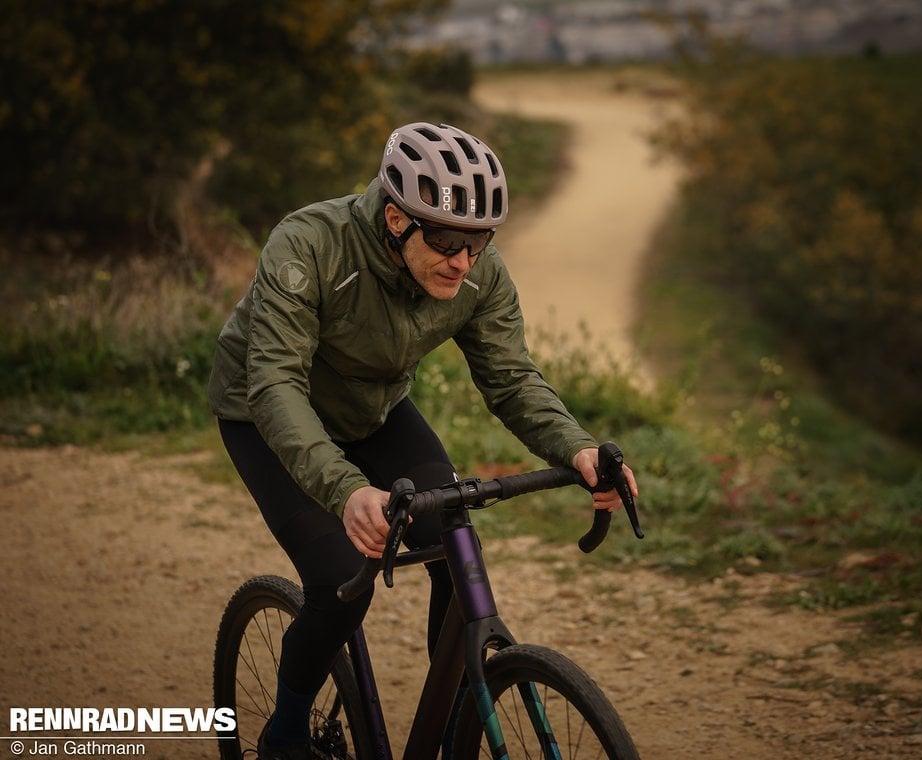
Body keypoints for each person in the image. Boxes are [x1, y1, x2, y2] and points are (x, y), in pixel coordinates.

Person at [207, 121, 638, 760]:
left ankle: (447, 732)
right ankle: (286, 731)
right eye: (444, 239)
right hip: (264, 412)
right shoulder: (309, 244)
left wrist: (575, 448)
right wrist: (348, 489)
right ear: (395, 219)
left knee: (453, 541)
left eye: (478, 241)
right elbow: (275, 383)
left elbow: (512, 378)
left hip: (373, 412)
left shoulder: (476, 274)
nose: (462, 261)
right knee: (338, 579)